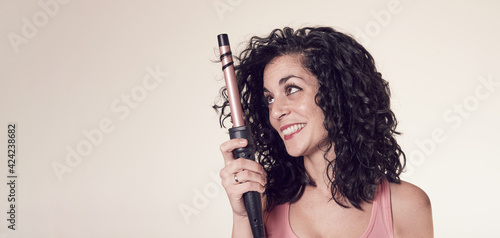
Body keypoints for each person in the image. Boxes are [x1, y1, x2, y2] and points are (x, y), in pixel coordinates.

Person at [214, 26, 433, 237]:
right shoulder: (264, 203)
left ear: (336, 94)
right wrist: (243, 217)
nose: (276, 111)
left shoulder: (405, 206)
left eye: (291, 89)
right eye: (269, 98)